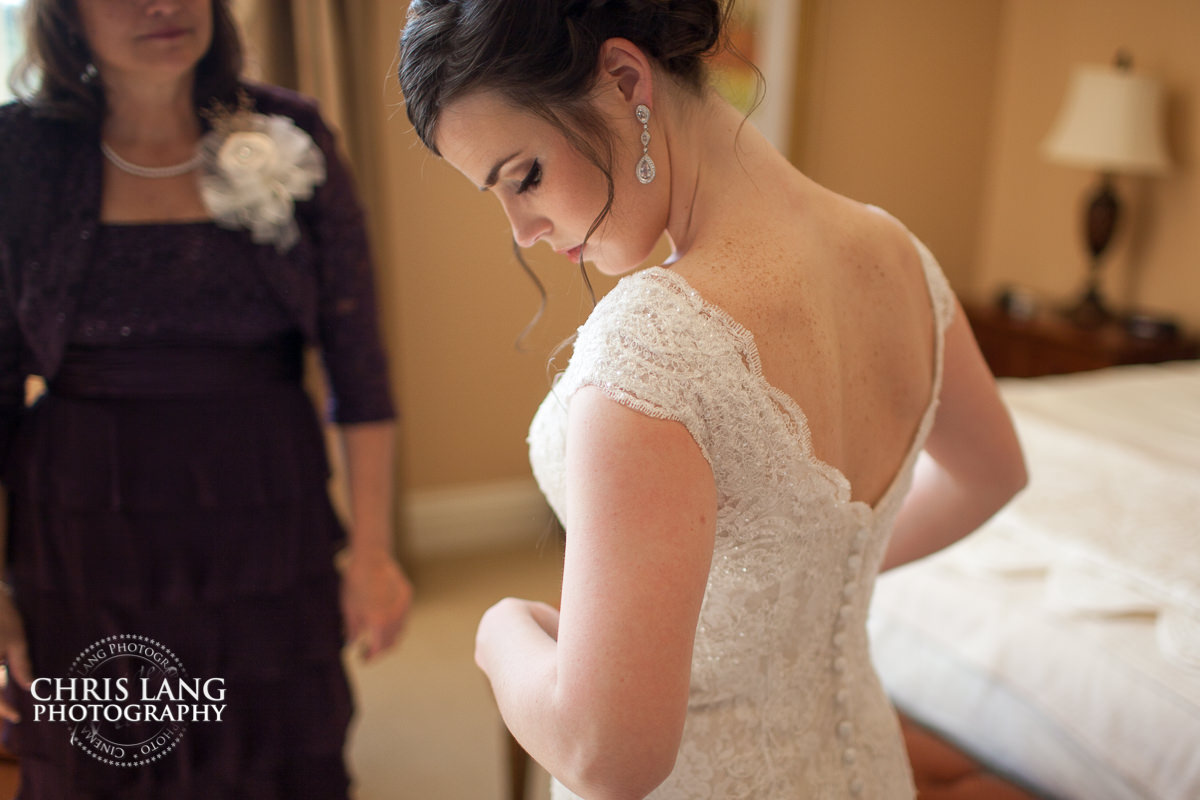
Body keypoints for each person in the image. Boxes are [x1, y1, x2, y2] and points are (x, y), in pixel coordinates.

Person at [399, 0, 1026, 798]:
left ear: (626, 78)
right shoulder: (897, 253)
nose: (522, 229)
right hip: (868, 770)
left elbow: (608, 755)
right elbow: (992, 473)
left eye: (523, 176)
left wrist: (498, 632)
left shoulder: (653, 345)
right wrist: (803, 580)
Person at [0, 1, 411, 797]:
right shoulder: (19, 151)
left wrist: (372, 552)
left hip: (264, 515)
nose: (165, 5)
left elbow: (359, 366)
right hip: (86, 530)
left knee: (276, 754)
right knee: (106, 763)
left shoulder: (290, 133)